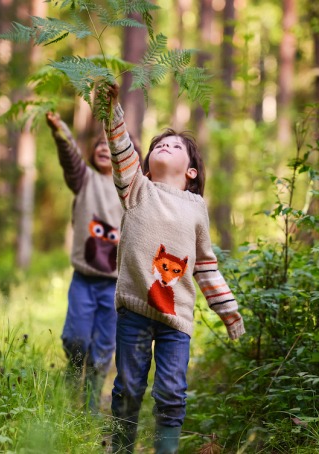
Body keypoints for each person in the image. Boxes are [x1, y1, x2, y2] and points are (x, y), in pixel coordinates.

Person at [98, 83, 246, 454]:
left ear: (192, 171)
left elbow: (207, 267)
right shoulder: (136, 188)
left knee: (171, 393)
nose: (163, 146)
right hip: (134, 307)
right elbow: (120, 148)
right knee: (128, 388)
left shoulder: (196, 209)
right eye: (158, 145)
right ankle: (121, 448)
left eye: (175, 145)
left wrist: (229, 312)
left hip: (176, 319)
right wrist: (111, 107)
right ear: (146, 163)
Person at [46, 111, 125, 412]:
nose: (105, 147)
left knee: (104, 348)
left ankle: (90, 405)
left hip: (114, 285)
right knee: (76, 339)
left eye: (111, 143)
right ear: (92, 153)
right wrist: (60, 130)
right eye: (99, 144)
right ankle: (72, 375)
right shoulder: (84, 179)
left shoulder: (129, 191)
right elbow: (70, 157)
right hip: (84, 279)